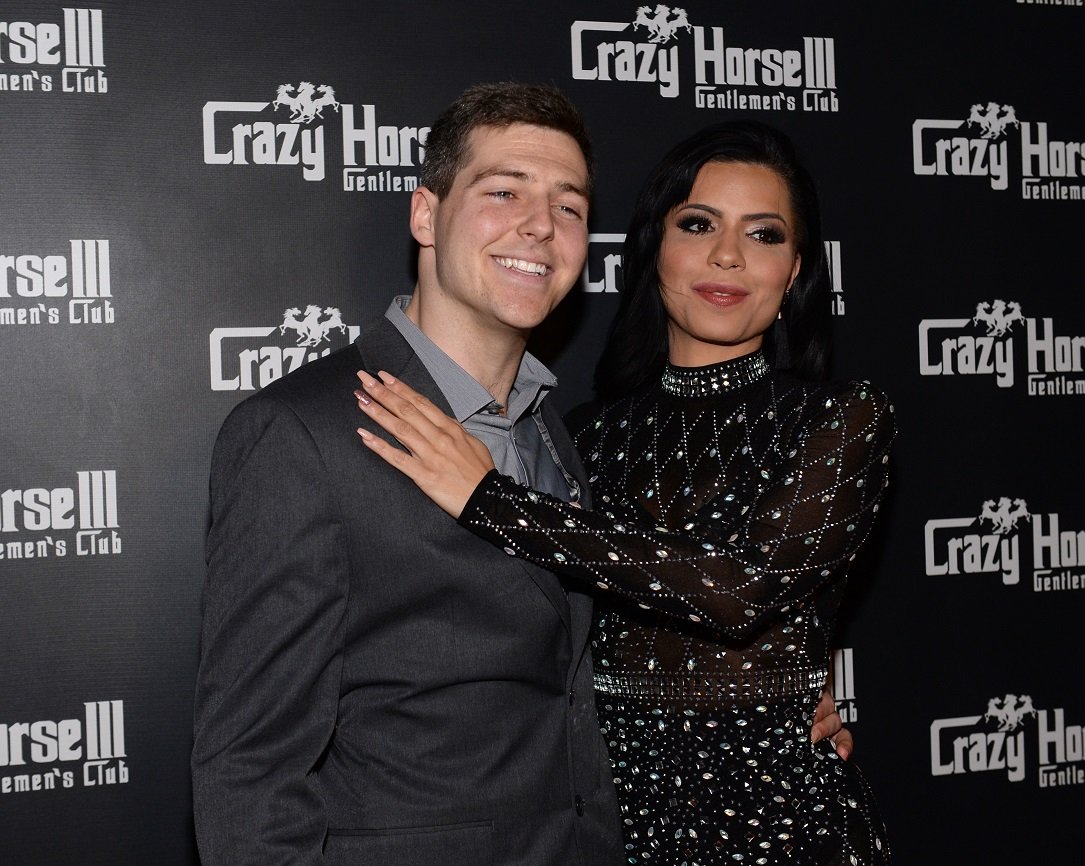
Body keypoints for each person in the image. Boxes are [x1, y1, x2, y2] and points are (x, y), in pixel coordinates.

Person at [354, 120, 895, 864]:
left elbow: (738, 590)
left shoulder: (841, 418)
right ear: (654, 248)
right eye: (698, 224)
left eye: (763, 234)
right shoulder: (580, 435)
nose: (728, 255)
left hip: (782, 827)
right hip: (610, 828)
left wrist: (489, 498)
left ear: (796, 268)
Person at [192, 82, 623, 865]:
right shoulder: (301, 434)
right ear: (426, 215)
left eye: (569, 206)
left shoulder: (551, 428)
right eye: (504, 192)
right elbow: (247, 774)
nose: (540, 225)